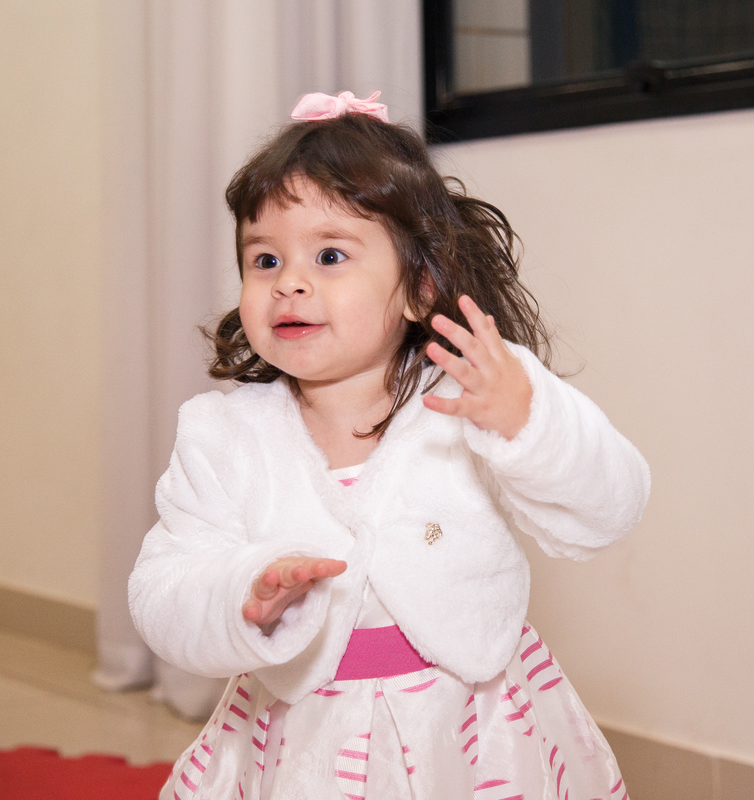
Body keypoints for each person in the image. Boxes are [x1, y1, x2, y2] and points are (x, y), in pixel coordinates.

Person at [129, 90, 649, 800]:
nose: (292, 283)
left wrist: (530, 422)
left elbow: (607, 510)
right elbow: (163, 590)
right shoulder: (223, 435)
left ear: (419, 286)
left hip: (473, 725)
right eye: (265, 261)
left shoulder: (477, 397)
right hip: (299, 737)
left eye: (331, 254)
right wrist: (239, 591)